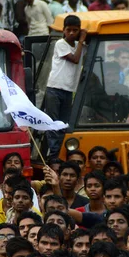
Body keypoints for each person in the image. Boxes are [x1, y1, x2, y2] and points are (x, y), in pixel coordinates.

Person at [44, 15, 87, 158]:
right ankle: (53, 155)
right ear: (63, 30)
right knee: (53, 123)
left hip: (69, 90)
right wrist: (81, 39)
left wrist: (81, 42)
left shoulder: (81, 47)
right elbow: (75, 59)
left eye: (75, 30)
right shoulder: (60, 44)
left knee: (64, 124)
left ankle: (60, 153)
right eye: (69, 30)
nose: (71, 33)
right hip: (55, 88)